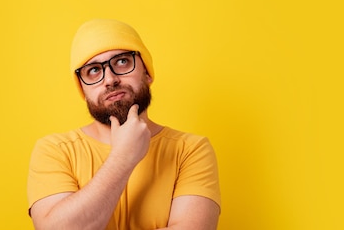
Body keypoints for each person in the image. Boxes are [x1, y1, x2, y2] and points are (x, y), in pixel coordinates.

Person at [27, 19, 221, 230]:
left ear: (146, 71)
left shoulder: (190, 150)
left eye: (121, 62)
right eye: (93, 70)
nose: (109, 79)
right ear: (82, 89)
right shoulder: (54, 150)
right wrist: (123, 158)